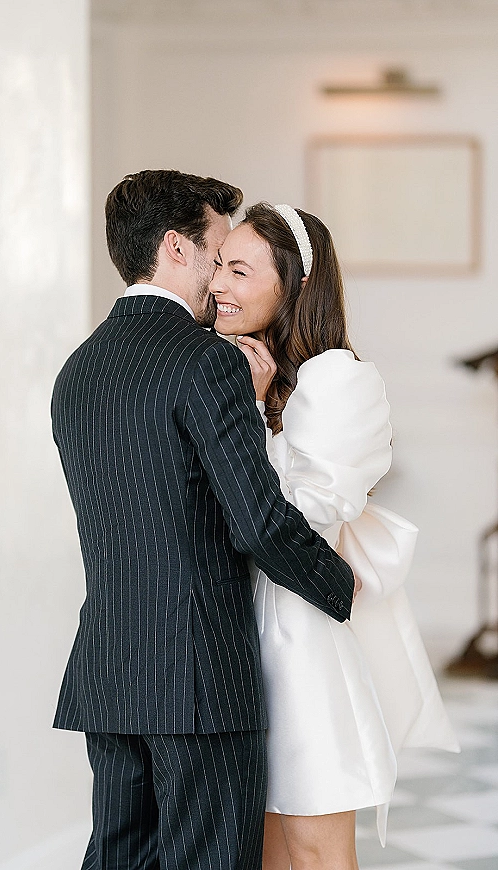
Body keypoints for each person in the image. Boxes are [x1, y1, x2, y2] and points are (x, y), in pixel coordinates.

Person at [51, 171, 356, 870]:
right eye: (218, 253)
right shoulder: (206, 361)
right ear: (175, 249)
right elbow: (255, 522)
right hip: (199, 679)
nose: (221, 275)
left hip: (108, 669)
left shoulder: (78, 370)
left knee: (118, 858)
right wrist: (337, 584)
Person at [210, 202, 459, 870]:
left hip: (302, 643)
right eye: (217, 267)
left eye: (239, 270)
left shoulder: (337, 377)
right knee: (261, 846)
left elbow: (308, 515)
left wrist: (252, 416)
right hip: (241, 635)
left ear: (292, 286)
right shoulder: (240, 370)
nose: (219, 286)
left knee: (313, 847)